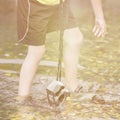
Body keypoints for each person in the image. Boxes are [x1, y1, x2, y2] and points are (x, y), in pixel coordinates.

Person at [16, 0, 106, 104]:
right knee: (37, 51)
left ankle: (73, 86)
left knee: (74, 38)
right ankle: (22, 98)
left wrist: (99, 16)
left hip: (60, 3)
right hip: (34, 4)